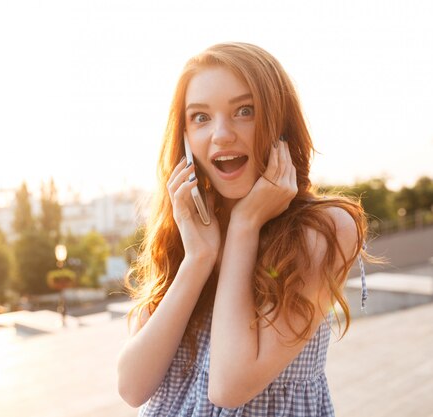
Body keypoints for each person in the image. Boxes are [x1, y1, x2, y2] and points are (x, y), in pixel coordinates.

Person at [117, 42, 377, 416]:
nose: (221, 134)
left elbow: (228, 386)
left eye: (244, 111)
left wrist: (245, 226)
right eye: (200, 117)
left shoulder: (324, 229)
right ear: (186, 138)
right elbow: (132, 386)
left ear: (280, 125)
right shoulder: (189, 228)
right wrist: (198, 259)